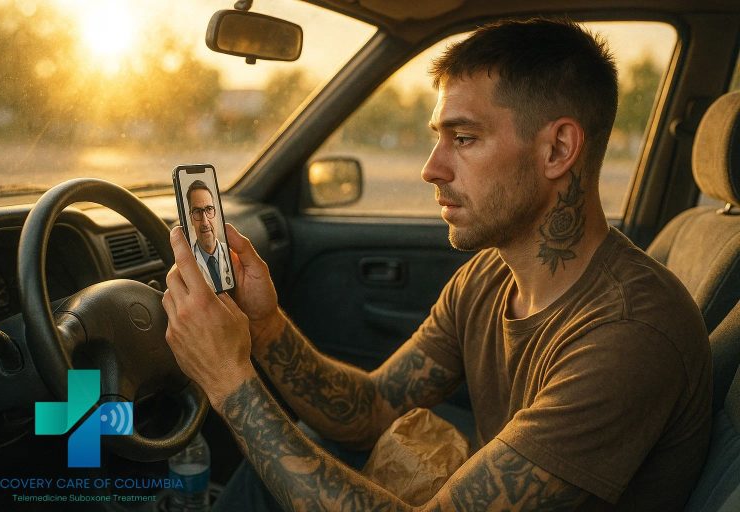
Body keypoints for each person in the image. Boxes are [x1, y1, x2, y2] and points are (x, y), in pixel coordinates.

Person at [161, 18, 712, 511]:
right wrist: (262, 326)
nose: (431, 168)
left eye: (464, 138)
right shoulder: (491, 275)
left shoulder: (628, 335)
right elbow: (373, 407)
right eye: (439, 138)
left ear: (557, 149)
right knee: (307, 448)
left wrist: (228, 381)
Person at [185, 180, 233, 293]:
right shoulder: (187, 264)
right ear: (191, 219)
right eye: (197, 211)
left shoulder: (233, 256)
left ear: (216, 213)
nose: (205, 222)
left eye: (209, 209)